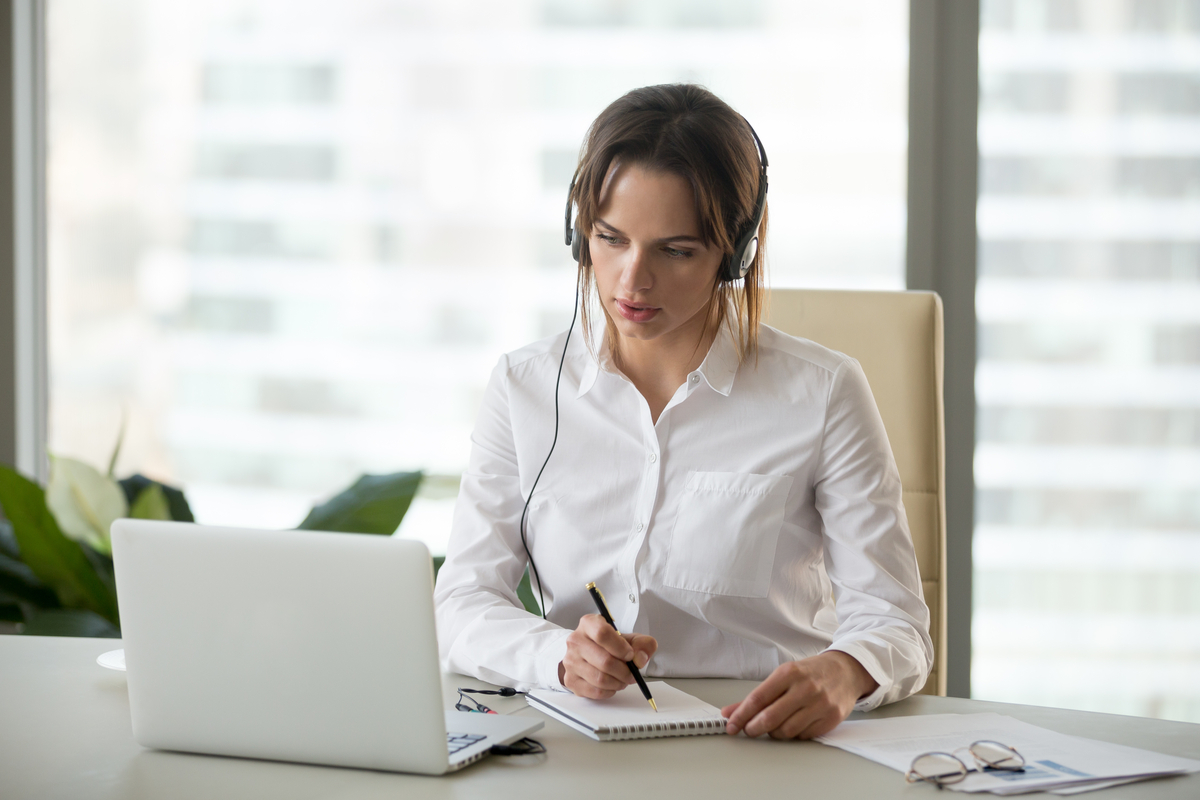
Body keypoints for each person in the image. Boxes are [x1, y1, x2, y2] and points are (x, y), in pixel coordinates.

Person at [434, 84, 931, 740]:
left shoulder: (825, 392)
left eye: (675, 251)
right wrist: (555, 656)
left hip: (758, 746)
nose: (631, 281)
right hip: (580, 748)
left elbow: (896, 622)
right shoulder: (524, 388)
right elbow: (462, 603)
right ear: (578, 234)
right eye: (610, 239)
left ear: (734, 253)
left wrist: (844, 669)